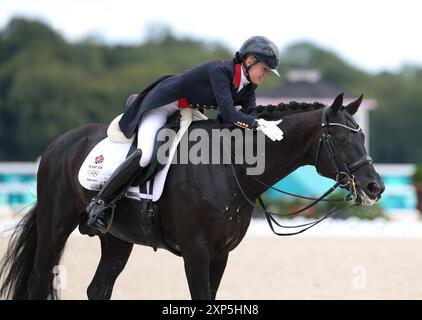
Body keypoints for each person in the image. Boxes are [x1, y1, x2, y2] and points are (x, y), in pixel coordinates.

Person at [86, 35, 284, 233]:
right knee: (145, 154)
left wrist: (267, 123)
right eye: (265, 69)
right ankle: (100, 202)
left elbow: (248, 115)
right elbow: (229, 114)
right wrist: (257, 124)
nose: (265, 75)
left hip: (185, 110)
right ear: (249, 61)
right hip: (162, 106)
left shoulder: (249, 85)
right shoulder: (221, 71)